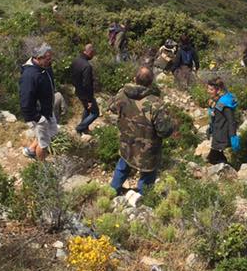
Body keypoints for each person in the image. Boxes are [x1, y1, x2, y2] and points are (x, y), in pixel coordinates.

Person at [109, 66, 174, 195]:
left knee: (123, 166)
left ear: (135, 79)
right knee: (147, 176)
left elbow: (111, 107)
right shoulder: (155, 104)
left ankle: (110, 192)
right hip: (147, 150)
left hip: (126, 143)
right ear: (151, 83)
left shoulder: (122, 94)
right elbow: (164, 131)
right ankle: (142, 201)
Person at [19, 42, 58, 161]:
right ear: (38, 58)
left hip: (47, 111)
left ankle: (30, 150)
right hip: (39, 115)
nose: (50, 61)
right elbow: (25, 101)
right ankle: (42, 168)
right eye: (48, 58)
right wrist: (37, 118)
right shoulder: (29, 75)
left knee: (52, 131)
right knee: (44, 143)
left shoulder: (44, 67)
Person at [206, 77, 240, 165]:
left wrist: (233, 136)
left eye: (211, 89)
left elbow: (231, 120)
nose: (208, 91)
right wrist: (210, 128)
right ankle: (226, 170)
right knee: (216, 156)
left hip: (222, 134)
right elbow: (216, 115)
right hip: (217, 131)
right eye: (208, 89)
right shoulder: (217, 100)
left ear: (218, 90)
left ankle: (226, 172)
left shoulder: (224, 103)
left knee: (213, 158)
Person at [71, 43, 99, 135]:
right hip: (85, 93)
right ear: (90, 52)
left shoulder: (76, 61)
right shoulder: (87, 66)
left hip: (78, 91)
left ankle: (84, 128)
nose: (93, 55)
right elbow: (87, 84)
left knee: (87, 109)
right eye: (93, 53)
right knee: (95, 113)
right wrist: (90, 99)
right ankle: (80, 128)